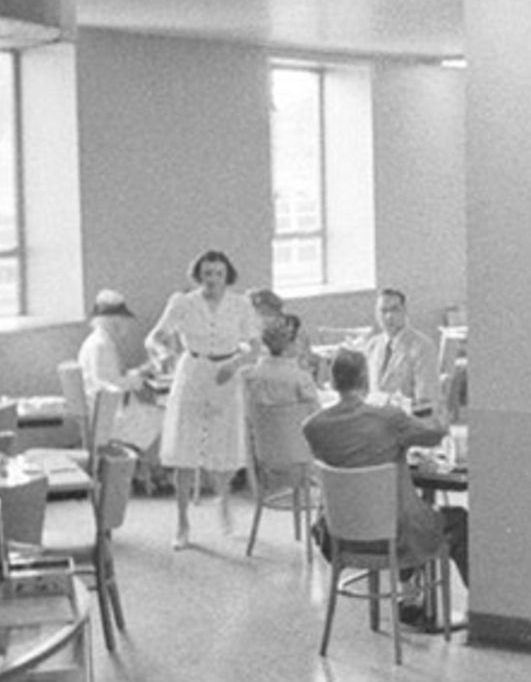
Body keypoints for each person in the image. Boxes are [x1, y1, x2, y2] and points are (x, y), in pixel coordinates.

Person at [303, 351, 467, 631]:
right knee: (454, 520)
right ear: (365, 379)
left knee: (398, 511)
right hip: (396, 532)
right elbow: (434, 435)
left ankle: (410, 596)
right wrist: (442, 411)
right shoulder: (389, 419)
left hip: (340, 533)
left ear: (333, 380)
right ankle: (485, 611)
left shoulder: (313, 427)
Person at [148, 249, 263, 549]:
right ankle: (182, 522)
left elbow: (255, 347)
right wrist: (163, 353)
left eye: (219, 274)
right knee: (185, 452)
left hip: (226, 376)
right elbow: (155, 337)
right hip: (193, 374)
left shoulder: (240, 305)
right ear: (199, 275)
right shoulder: (183, 303)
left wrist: (235, 364)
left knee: (223, 446)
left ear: (227, 276)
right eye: (208, 273)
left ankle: (223, 499)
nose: (213, 279)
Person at [76, 288, 167, 461]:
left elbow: (111, 377)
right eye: (123, 319)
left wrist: (139, 372)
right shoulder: (101, 345)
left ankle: (146, 468)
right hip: (107, 418)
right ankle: (146, 468)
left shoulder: (98, 342)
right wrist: (138, 380)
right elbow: (110, 386)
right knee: (164, 416)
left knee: (156, 413)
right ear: (114, 321)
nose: (126, 324)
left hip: (102, 411)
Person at [358, 287, 438, 410]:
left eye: (395, 309)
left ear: (405, 311)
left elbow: (425, 404)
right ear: (376, 315)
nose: (389, 316)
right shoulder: (372, 346)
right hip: (373, 418)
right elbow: (362, 392)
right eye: (383, 311)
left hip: (407, 419)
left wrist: (388, 401)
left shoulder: (423, 347)